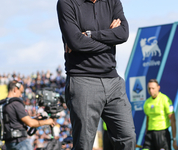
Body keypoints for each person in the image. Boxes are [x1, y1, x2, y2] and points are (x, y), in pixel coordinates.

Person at [56, 0, 136, 149]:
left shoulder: (112, 1)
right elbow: (76, 42)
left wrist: (89, 35)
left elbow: (123, 34)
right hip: (82, 80)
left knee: (127, 138)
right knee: (84, 144)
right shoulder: (66, 3)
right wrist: (111, 39)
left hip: (113, 81)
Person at [2, 80, 55, 150]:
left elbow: (15, 122)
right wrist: (48, 121)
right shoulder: (16, 103)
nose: (21, 95)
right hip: (20, 143)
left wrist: (36, 119)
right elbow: (30, 123)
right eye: (20, 92)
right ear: (15, 89)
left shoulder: (3, 104)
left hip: (9, 143)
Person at [142, 79, 178, 150]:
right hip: (150, 133)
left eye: (153, 88)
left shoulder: (165, 99)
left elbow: (173, 119)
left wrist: (174, 138)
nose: (151, 90)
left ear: (158, 87)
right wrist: (147, 133)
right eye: (149, 88)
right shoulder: (147, 102)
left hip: (162, 134)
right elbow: (148, 119)